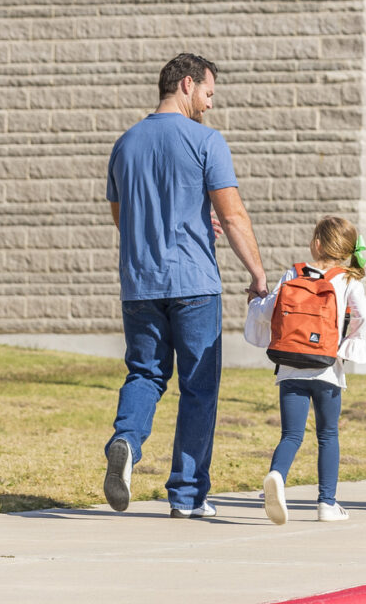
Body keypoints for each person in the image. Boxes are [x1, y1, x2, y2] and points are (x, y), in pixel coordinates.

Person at [102, 53, 266, 519]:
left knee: (145, 374)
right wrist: (257, 273)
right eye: (209, 94)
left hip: (139, 285)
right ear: (187, 85)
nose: (211, 105)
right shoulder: (206, 141)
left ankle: (127, 443)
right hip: (194, 282)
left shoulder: (125, 143)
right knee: (198, 386)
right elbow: (233, 215)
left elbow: (122, 217)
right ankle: (188, 495)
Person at [244, 215, 366, 525]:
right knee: (327, 435)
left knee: (291, 435)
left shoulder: (294, 272)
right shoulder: (348, 279)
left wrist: (253, 304)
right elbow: (364, 316)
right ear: (345, 249)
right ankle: (327, 504)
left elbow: (270, 307)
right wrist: (347, 346)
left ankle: (276, 475)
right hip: (328, 369)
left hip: (290, 367)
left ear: (316, 244)